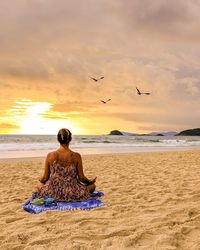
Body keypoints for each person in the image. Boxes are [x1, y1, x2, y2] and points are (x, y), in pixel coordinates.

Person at [37, 128, 96, 202]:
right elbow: (82, 178)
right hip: (72, 192)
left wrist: (40, 179)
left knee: (39, 185)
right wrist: (90, 182)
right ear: (70, 139)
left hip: (53, 192)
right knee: (93, 186)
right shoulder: (76, 156)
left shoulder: (50, 155)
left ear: (58, 139)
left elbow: (45, 178)